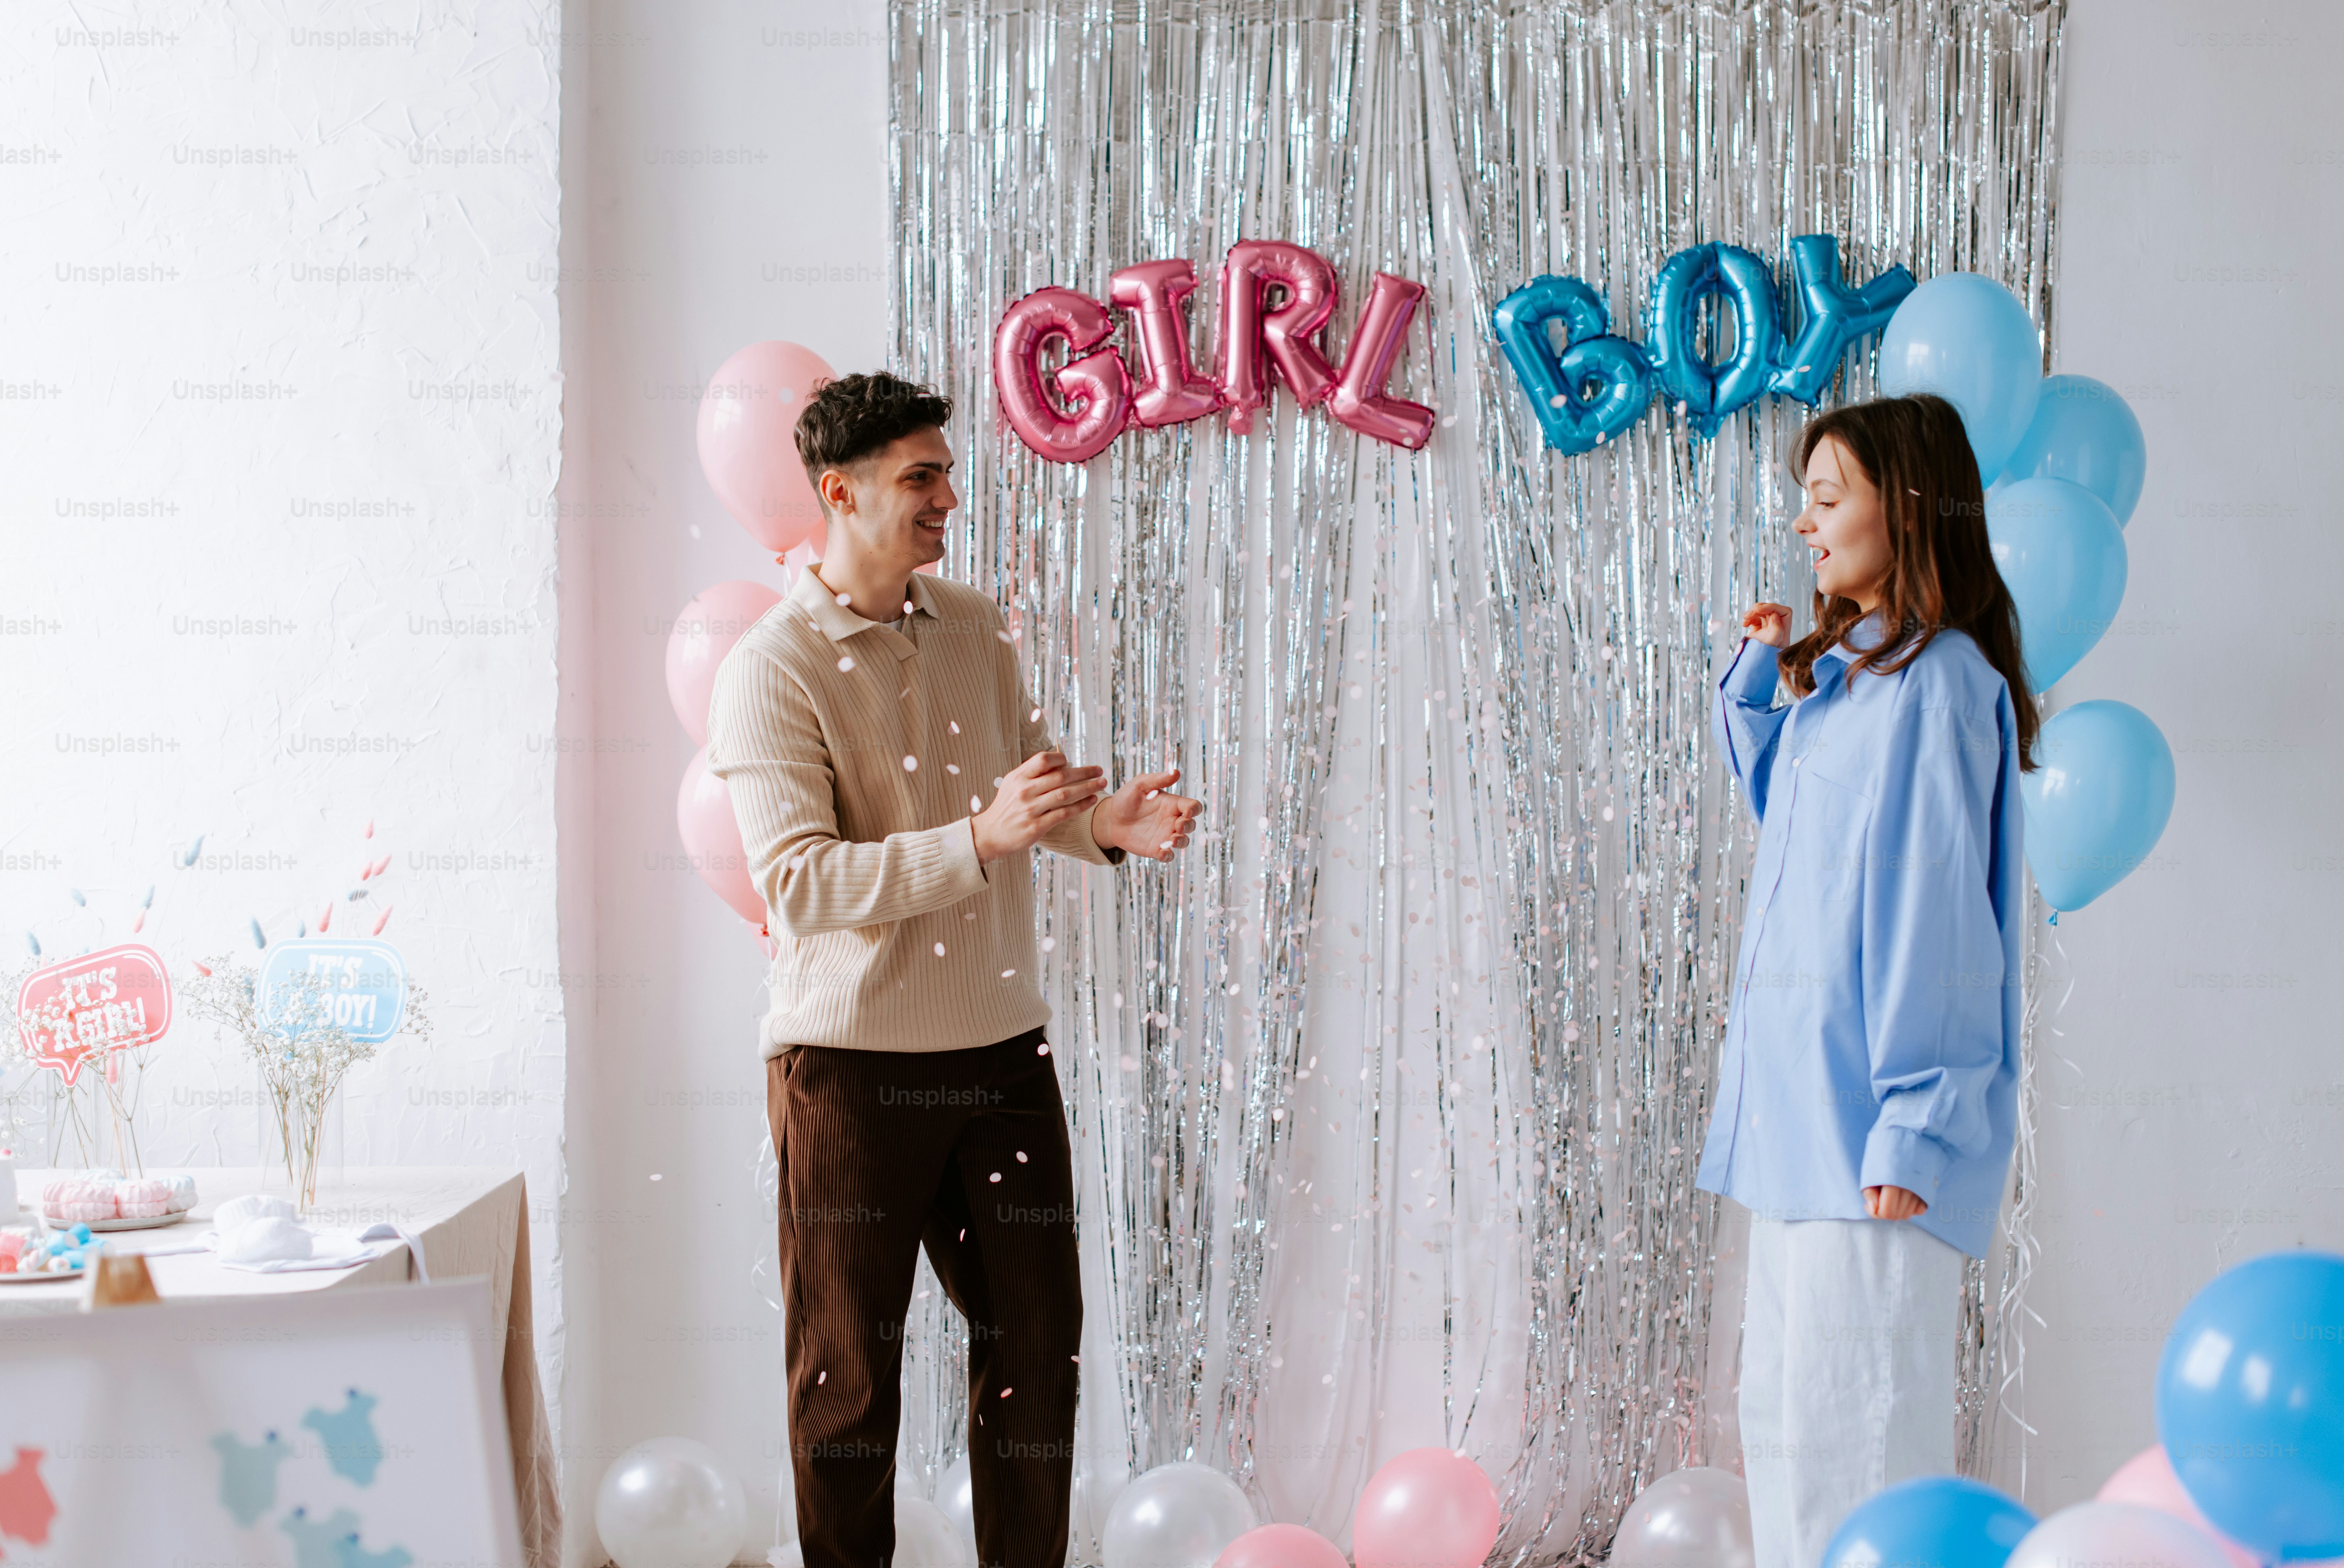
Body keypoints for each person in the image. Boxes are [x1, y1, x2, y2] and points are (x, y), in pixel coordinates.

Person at [705, 371, 1203, 1568]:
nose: (948, 497)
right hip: (846, 1071)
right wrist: (978, 839)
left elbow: (1023, 792)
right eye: (921, 477)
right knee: (848, 1378)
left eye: (945, 471)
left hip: (997, 1055)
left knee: (1037, 1351)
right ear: (840, 493)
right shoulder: (770, 670)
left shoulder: (975, 626)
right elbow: (803, 887)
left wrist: (1100, 825)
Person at [1697, 393, 2036, 1568]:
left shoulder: (1941, 687)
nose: (1805, 521)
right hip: (1796, 1126)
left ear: (1911, 509)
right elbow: (1784, 810)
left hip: (1872, 1136)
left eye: (1829, 496)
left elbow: (1941, 921)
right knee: (1787, 1435)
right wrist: (1754, 675)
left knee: (1864, 1449)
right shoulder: (1847, 679)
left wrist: (1923, 1120)